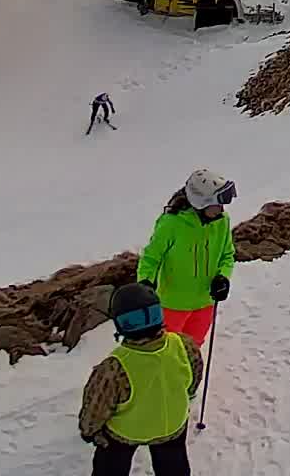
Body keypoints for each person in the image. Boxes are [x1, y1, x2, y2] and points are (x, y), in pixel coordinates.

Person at [79, 281, 199, 475]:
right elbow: (193, 379)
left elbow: (96, 406)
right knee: (173, 465)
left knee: (110, 467)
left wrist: (89, 431)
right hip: (171, 425)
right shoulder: (183, 345)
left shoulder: (115, 367)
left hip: (125, 433)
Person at [137, 170, 236, 351]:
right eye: (217, 204)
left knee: (191, 350)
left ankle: (189, 379)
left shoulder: (222, 221)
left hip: (206, 303)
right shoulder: (171, 224)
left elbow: (227, 255)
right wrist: (145, 283)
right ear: (201, 203)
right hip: (172, 305)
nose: (222, 209)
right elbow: (151, 258)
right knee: (166, 351)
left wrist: (223, 277)